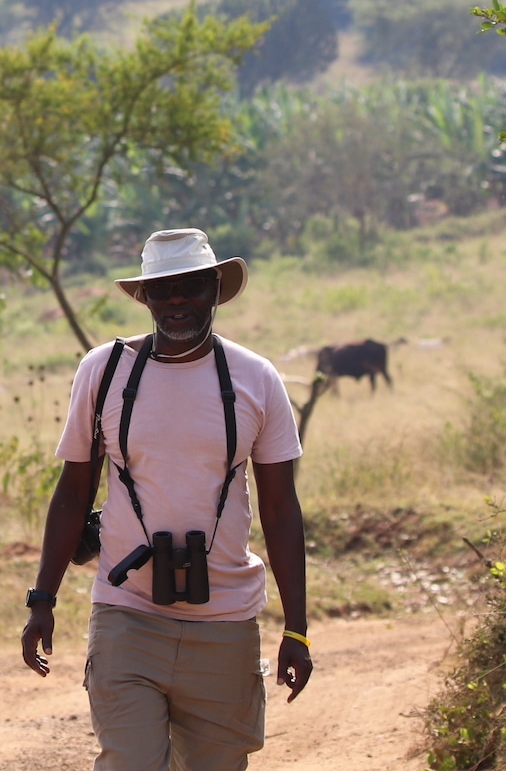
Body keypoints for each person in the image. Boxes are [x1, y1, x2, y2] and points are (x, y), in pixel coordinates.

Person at [21, 228, 312, 771]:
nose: (177, 301)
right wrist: (43, 598)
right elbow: (73, 491)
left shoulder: (256, 379)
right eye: (162, 290)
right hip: (127, 613)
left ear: (215, 290)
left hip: (224, 620)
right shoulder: (103, 372)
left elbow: (280, 509)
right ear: (145, 298)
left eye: (191, 287)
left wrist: (296, 628)